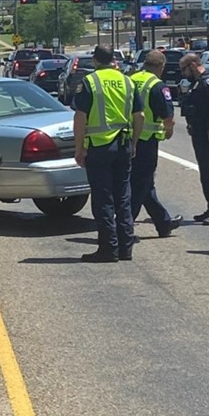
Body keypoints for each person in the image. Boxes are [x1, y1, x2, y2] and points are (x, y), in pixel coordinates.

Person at [73, 45, 144, 262]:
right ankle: (125, 248)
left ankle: (108, 249)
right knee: (123, 197)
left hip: (100, 147)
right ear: (113, 60)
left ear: (95, 60)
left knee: (103, 199)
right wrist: (133, 143)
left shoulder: (89, 82)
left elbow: (80, 117)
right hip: (123, 145)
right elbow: (139, 115)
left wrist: (79, 148)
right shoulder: (128, 81)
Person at [129, 51, 183, 237]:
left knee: (144, 184)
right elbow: (168, 116)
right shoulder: (157, 85)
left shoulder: (131, 79)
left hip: (127, 137)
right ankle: (125, 226)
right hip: (147, 140)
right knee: (140, 185)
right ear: (161, 67)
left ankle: (163, 223)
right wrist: (169, 131)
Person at [178, 53, 209, 225]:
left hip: (208, 134)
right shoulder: (197, 83)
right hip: (199, 132)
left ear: (192, 65)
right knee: (205, 172)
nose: (183, 74)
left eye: (184, 70)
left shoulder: (208, 82)